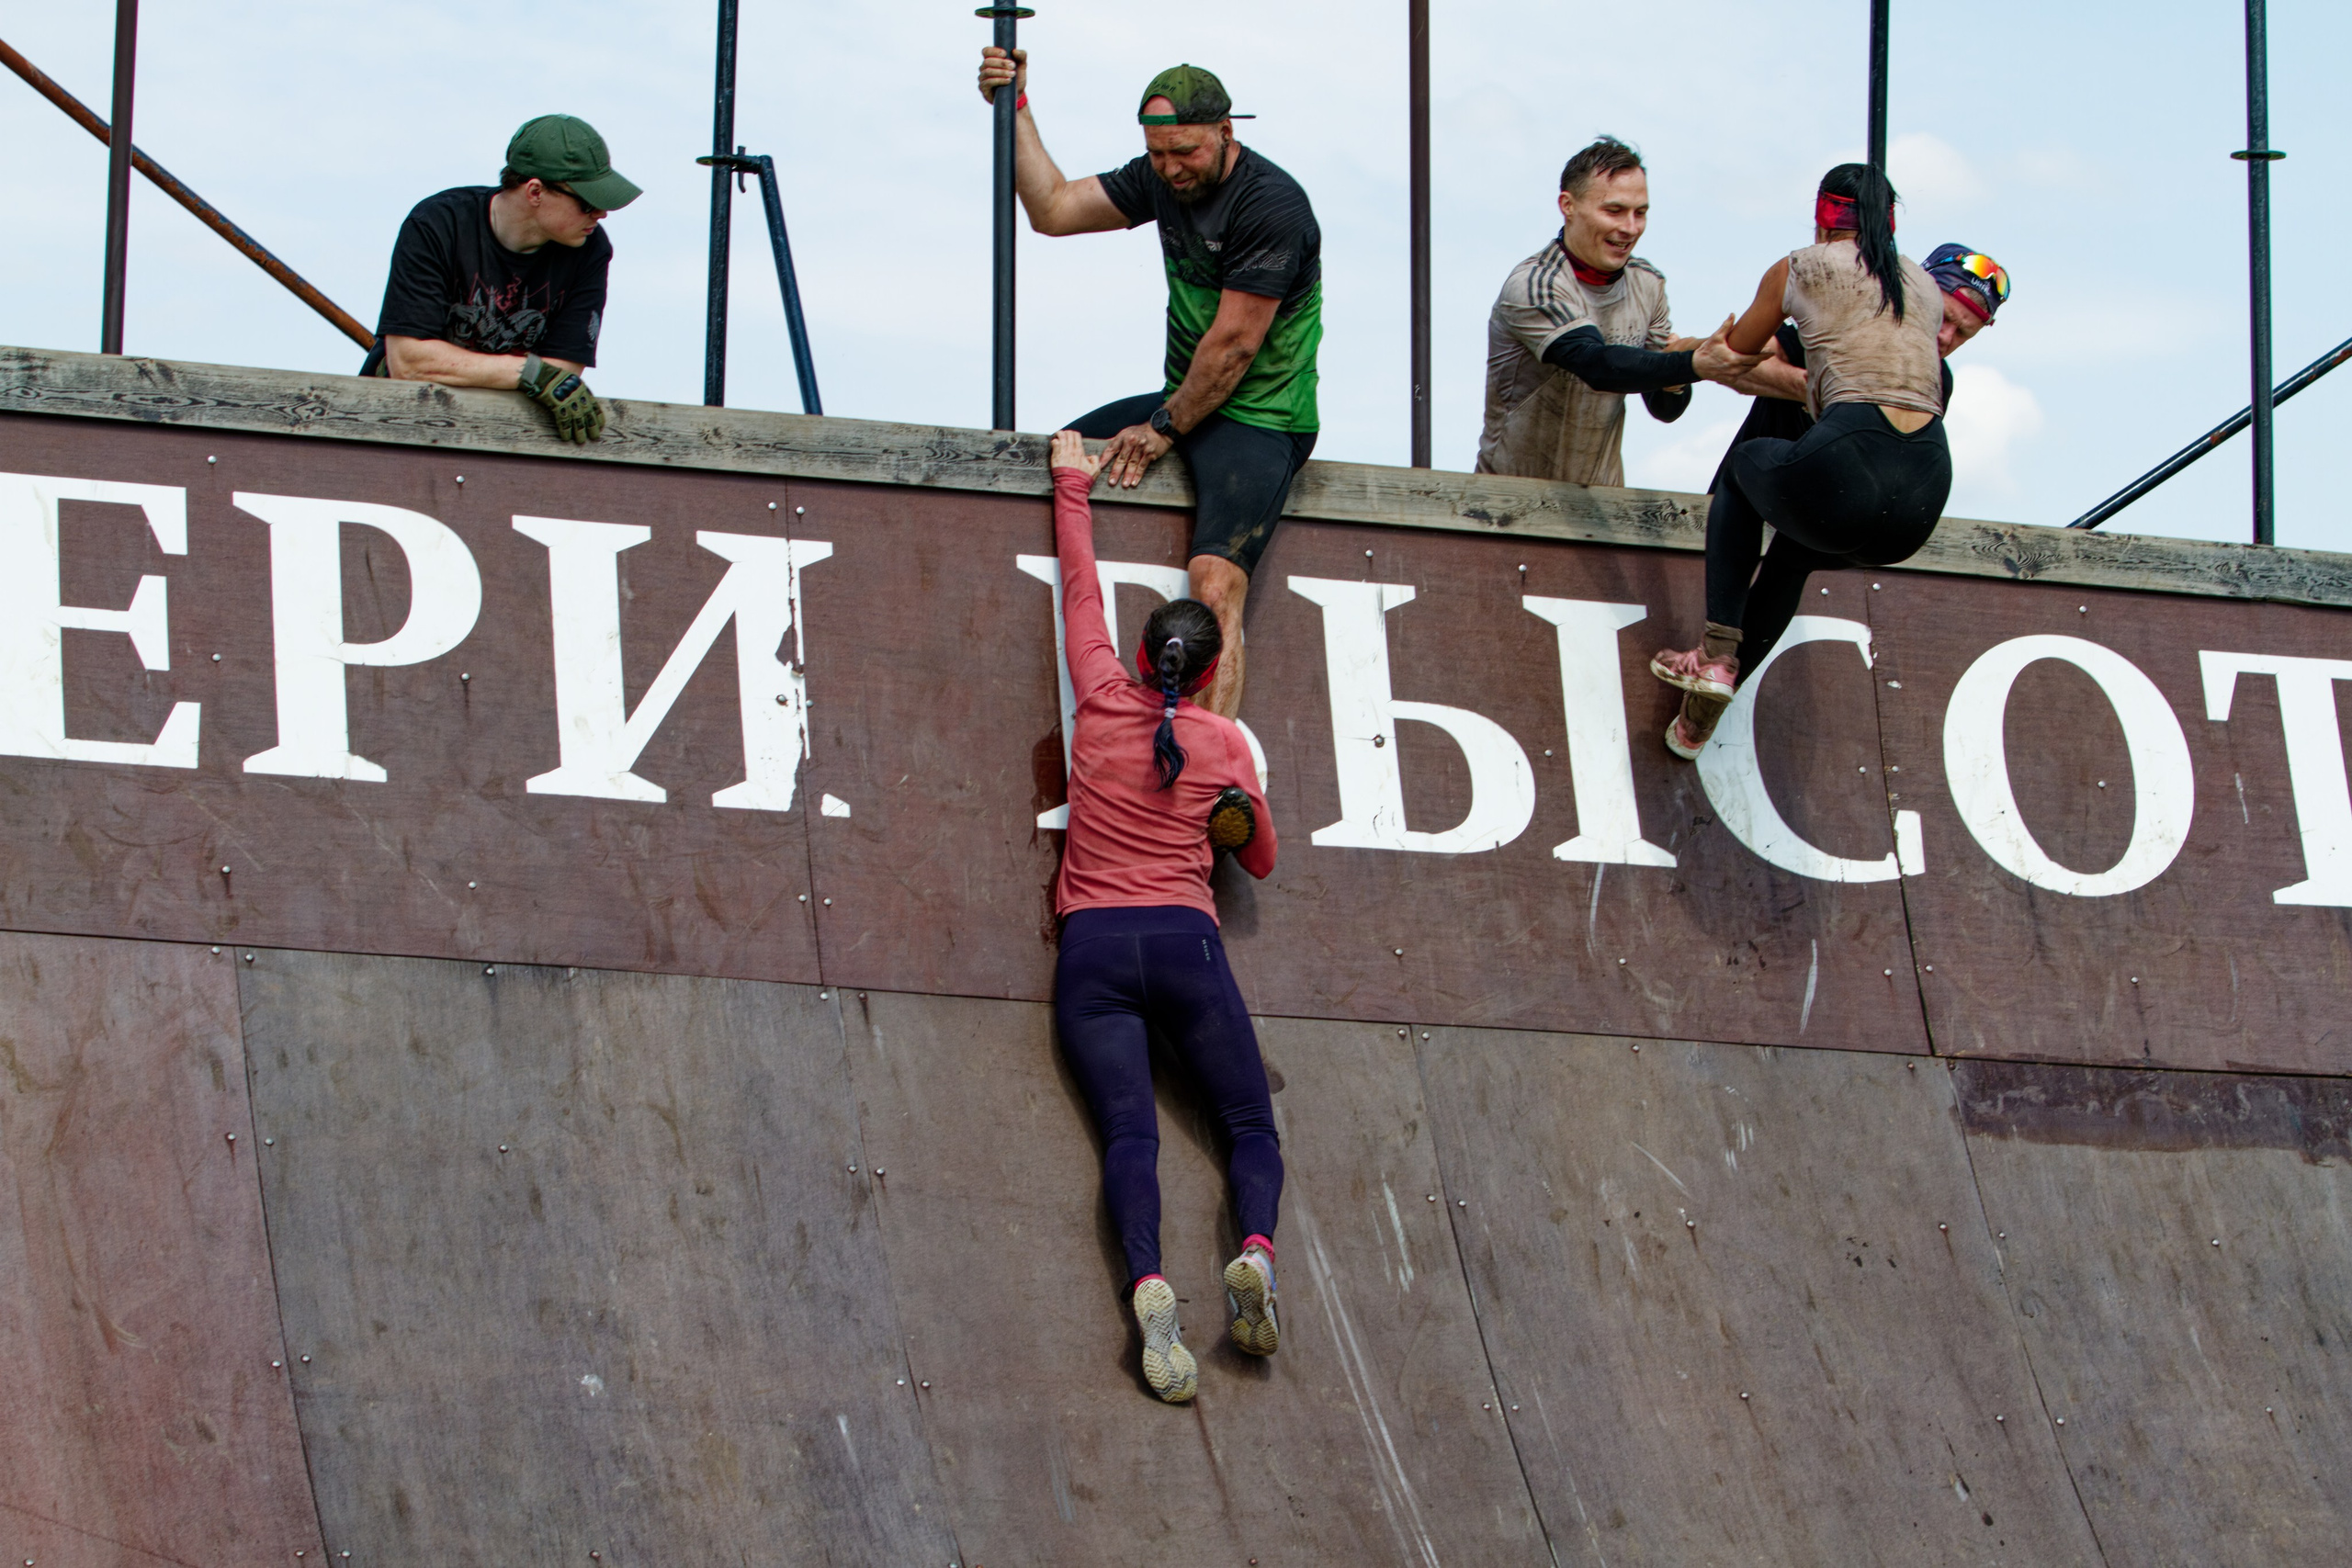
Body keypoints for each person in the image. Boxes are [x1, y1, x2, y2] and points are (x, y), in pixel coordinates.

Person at [1045, 425, 1283, 1404]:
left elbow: (1079, 591)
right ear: (1213, 662)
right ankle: (1257, 1259)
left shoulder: (1100, 699)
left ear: (1144, 659)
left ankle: (1150, 1287)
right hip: (1185, 944)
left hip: (1092, 953)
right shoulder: (1225, 747)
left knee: (1129, 1140)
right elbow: (1260, 861)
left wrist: (1071, 483)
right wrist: (1235, 825)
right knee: (1248, 1132)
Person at [978, 51, 1320, 719]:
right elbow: (1051, 208)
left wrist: (1162, 428)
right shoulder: (1162, 182)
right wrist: (1013, 105)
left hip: (1261, 414)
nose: (1170, 170)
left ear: (1226, 131)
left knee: (1215, 586)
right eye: (1157, 155)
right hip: (1186, 401)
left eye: (1185, 152)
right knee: (1056, 455)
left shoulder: (1271, 204)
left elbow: (1232, 349)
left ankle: (1209, 778)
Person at [1649, 165, 1979, 758]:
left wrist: (1681, 357)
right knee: (1793, 560)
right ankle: (1701, 721)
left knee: (1747, 471)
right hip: (1921, 498)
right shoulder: (1925, 292)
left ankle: (1717, 654)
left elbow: (1736, 354)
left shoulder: (1801, 266)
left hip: (1848, 458)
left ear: (1824, 216)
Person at [1477, 136, 1760, 485]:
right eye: (1614, 211)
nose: (1630, 228)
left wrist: (1680, 369)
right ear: (1568, 205)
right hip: (1508, 498)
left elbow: (1664, 408)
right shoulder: (1536, 284)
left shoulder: (1648, 283)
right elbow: (1598, 366)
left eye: (1640, 212)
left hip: (1599, 503)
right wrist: (1695, 364)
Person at [362, 115, 639, 445]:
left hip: (509, 437)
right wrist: (530, 374)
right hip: (398, 429)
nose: (601, 214)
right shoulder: (437, 223)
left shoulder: (590, 249)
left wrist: (466, 368)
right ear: (535, 191)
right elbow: (409, 362)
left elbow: (562, 374)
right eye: (588, 202)